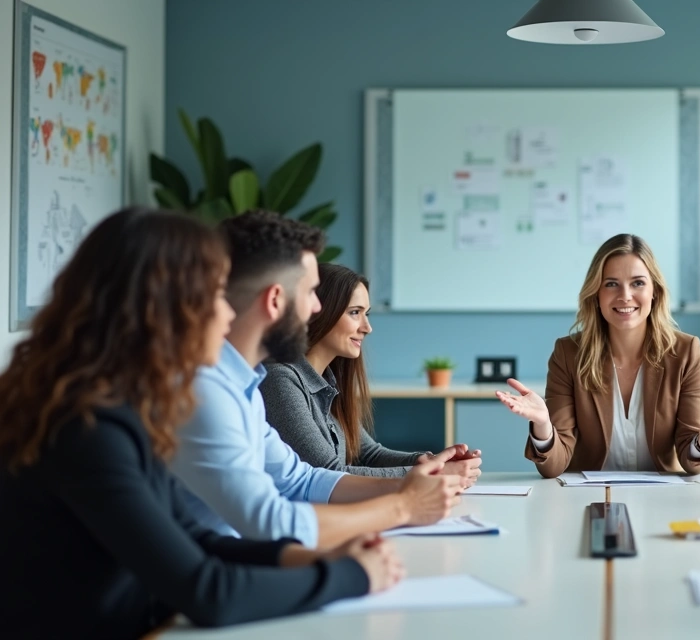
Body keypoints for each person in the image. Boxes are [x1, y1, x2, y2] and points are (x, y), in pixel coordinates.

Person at [0, 208, 402, 637]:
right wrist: (353, 577)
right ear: (164, 310)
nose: (228, 314)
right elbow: (208, 592)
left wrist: (323, 559)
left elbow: (198, 541)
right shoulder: (85, 428)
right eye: (214, 295)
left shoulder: (127, 407)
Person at [170, 211, 462, 551]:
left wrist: (413, 485)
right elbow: (267, 521)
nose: (317, 308)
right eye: (310, 293)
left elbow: (301, 480)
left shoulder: (242, 385)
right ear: (275, 299)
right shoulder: (205, 391)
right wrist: (403, 506)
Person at [495, 233, 700, 478]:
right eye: (611, 283)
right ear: (596, 295)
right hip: (588, 498)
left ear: (654, 291)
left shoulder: (686, 352)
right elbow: (553, 467)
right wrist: (543, 425)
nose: (625, 295)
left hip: (662, 500)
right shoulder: (568, 354)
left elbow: (693, 464)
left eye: (638, 283)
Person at [261, 263, 483, 482]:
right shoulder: (280, 379)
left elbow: (367, 455)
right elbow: (328, 474)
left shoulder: (327, 381)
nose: (367, 327)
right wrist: (430, 474)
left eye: (366, 314)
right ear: (318, 311)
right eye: (355, 313)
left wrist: (432, 462)